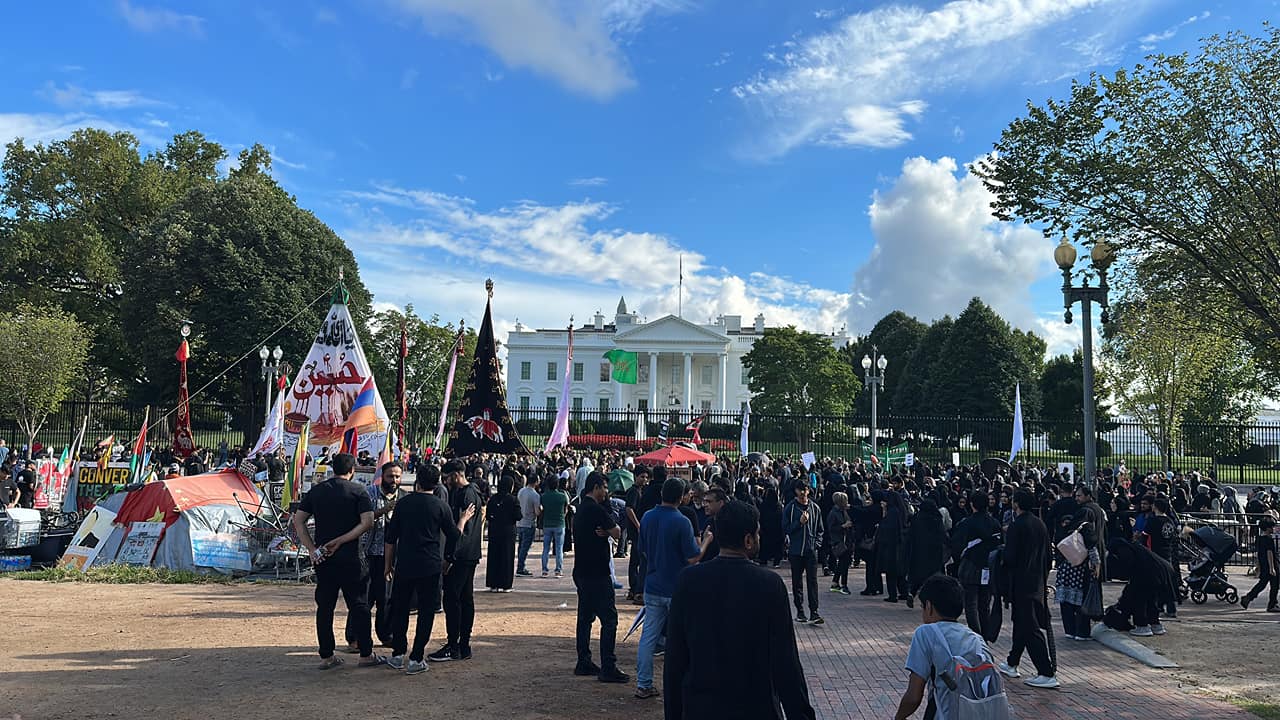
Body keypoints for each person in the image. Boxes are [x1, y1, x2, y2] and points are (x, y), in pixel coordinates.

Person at [664, 500, 816, 720]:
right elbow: (786, 661)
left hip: (702, 707)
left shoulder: (688, 581)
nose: (759, 538)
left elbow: (675, 659)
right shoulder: (768, 584)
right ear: (748, 540)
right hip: (756, 706)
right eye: (757, 534)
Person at [291, 452, 385, 669]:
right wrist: (342, 540)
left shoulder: (318, 491)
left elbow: (299, 521)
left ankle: (326, 655)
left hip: (323, 557)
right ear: (352, 471)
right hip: (351, 556)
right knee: (360, 605)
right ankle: (365, 653)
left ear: (333, 469)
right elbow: (367, 522)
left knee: (325, 607)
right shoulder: (359, 491)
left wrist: (312, 549)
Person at [383, 463, 472, 675]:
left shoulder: (403, 504)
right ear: (437, 483)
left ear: (418, 482)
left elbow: (390, 539)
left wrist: (388, 565)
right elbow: (453, 535)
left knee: (400, 608)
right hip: (430, 565)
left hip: (405, 563)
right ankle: (416, 657)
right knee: (425, 611)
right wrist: (462, 520)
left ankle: (397, 654)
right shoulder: (441, 506)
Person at [894, 574, 1007, 720]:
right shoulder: (975, 638)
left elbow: (914, 697)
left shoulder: (926, 633)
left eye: (922, 607)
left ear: (929, 607)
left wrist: (899, 717)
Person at [635, 477, 701, 700]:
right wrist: (708, 541)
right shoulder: (682, 521)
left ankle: (643, 683)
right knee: (682, 638)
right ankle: (684, 684)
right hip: (677, 588)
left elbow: (642, 550)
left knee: (649, 637)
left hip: (653, 585)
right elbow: (693, 558)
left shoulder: (647, 517)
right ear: (681, 497)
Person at [571, 471, 630, 683]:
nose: (606, 492)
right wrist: (609, 529)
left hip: (582, 571)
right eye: (604, 487)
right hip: (598, 572)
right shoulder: (596, 510)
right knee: (609, 619)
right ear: (595, 487)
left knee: (585, 618)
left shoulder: (580, 509)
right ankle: (608, 665)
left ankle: (583, 660)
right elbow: (617, 531)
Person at [997, 490, 1058, 689]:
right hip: (1037, 581)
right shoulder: (1040, 524)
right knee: (1022, 623)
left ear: (1017, 503)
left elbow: (1010, 557)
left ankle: (1045, 671)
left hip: (1022, 582)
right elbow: (1049, 556)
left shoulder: (1016, 526)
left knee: (1029, 626)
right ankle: (1012, 661)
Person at [343, 461, 405, 651]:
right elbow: (361, 519)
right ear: (382, 477)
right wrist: (383, 511)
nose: (394, 480)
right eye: (390, 476)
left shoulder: (404, 498)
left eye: (397, 476)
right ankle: (354, 637)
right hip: (367, 554)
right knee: (364, 598)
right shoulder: (368, 493)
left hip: (390, 557)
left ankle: (386, 635)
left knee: (386, 599)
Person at [429, 459, 483, 662]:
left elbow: (461, 531)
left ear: (456, 475)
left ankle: (455, 644)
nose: (446, 481)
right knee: (464, 599)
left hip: (461, 555)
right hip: (469, 553)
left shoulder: (466, 494)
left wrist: (450, 557)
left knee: (452, 599)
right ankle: (462, 644)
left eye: (448, 477)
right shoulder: (472, 491)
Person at [951, 491, 1001, 642]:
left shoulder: (967, 522)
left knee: (970, 603)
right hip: (989, 566)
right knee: (985, 602)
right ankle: (985, 632)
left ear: (972, 504)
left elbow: (957, 543)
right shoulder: (994, 523)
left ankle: (976, 633)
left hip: (971, 566)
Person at [783, 482, 824, 625]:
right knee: (797, 581)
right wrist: (799, 523)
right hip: (796, 551)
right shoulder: (791, 508)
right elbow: (785, 528)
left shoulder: (815, 508)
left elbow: (820, 529)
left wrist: (816, 544)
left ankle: (814, 611)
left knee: (812, 581)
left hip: (811, 550)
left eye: (805, 490)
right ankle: (800, 610)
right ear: (795, 491)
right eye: (800, 490)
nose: (803, 493)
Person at [1055, 513, 1100, 641]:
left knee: (1066, 603)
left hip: (1064, 570)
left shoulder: (1067, 529)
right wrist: (1097, 568)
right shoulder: (1087, 530)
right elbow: (1092, 551)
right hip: (1079, 571)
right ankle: (1082, 632)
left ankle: (1069, 630)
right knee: (1080, 602)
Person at [904, 499, 947, 610]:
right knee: (932, 578)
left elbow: (910, 536)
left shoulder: (917, 518)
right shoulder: (936, 519)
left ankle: (912, 593)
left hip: (918, 552)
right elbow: (943, 535)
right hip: (934, 553)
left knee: (917, 576)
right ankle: (929, 601)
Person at [485, 473, 522, 592]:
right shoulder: (513, 499)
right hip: (508, 531)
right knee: (507, 557)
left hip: (494, 530)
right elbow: (518, 516)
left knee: (494, 556)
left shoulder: (493, 499)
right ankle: (506, 584)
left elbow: (488, 515)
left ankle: (493, 583)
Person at [1240, 515, 1279, 612]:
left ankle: (1248, 597)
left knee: (1262, 584)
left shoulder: (1260, 539)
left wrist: (1258, 566)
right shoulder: (1269, 539)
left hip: (1263, 564)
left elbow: (1260, 554)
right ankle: (1272, 604)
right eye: (1271, 527)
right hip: (1271, 564)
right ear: (1267, 528)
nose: (1273, 529)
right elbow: (1269, 553)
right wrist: (1272, 568)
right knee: (1275, 585)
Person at [541, 476, 571, 578]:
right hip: (559, 523)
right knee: (559, 548)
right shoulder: (562, 496)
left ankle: (544, 570)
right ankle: (558, 570)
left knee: (546, 548)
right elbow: (566, 509)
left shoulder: (544, 496)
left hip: (547, 524)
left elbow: (541, 509)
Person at [826, 491, 855, 595]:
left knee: (843, 562)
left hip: (846, 540)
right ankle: (844, 584)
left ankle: (835, 582)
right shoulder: (833, 513)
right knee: (844, 562)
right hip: (839, 541)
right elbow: (830, 528)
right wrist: (843, 526)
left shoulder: (844, 511)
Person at [516, 472, 540, 576]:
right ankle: (520, 567)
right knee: (525, 547)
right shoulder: (535, 495)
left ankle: (520, 565)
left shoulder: (521, 491)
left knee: (521, 546)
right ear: (536, 482)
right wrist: (541, 509)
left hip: (520, 522)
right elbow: (537, 512)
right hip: (529, 523)